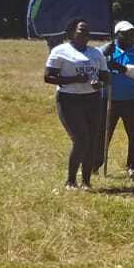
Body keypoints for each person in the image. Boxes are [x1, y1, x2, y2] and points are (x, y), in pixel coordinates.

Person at [44, 19, 107, 189]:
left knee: (92, 140)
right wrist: (74, 79)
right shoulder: (60, 51)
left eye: (87, 32)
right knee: (80, 139)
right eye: (81, 31)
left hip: (93, 99)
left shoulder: (96, 53)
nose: (85, 34)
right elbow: (48, 77)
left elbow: (105, 77)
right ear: (71, 32)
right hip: (69, 100)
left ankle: (86, 181)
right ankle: (71, 181)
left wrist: (99, 84)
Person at [101, 21, 134, 178]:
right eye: (126, 34)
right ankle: (95, 163)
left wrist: (122, 68)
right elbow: (93, 67)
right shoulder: (105, 50)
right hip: (109, 98)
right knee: (103, 133)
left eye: (133, 33)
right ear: (117, 35)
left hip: (133, 100)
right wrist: (104, 57)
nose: (131, 37)